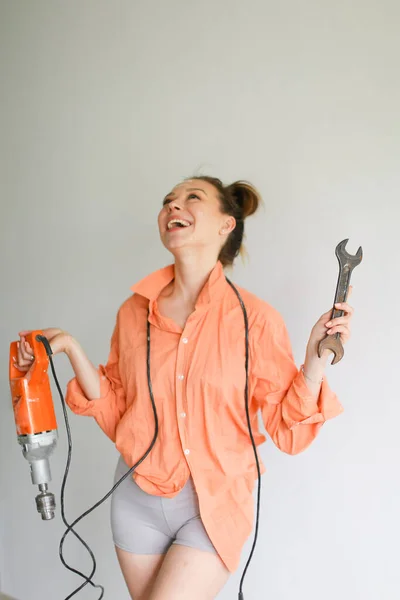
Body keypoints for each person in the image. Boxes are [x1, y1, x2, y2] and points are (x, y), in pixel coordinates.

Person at [14, 176, 354, 600]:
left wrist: (315, 361)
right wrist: (69, 348)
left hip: (212, 504)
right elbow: (121, 408)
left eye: (192, 198)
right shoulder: (133, 312)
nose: (174, 206)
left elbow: (289, 431)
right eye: (167, 201)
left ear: (226, 225)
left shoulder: (257, 319)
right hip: (135, 498)